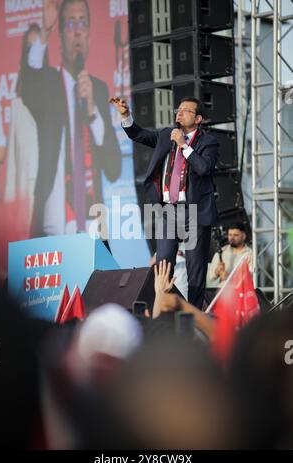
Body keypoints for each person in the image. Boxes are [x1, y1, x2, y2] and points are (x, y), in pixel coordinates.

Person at [23, 0, 121, 237]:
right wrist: (44, 30)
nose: (77, 30)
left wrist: (92, 112)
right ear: (59, 37)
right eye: (69, 23)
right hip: (53, 217)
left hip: (91, 219)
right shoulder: (47, 82)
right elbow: (29, 79)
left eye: (83, 23)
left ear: (89, 34)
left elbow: (114, 168)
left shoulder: (98, 89)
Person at [110, 96, 219, 308]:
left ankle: (194, 316)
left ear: (198, 119)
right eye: (178, 109)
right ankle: (162, 309)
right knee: (163, 264)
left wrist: (184, 146)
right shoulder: (165, 135)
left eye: (186, 110)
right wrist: (125, 115)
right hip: (169, 211)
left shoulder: (209, 142)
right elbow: (139, 134)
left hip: (194, 212)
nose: (179, 113)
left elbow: (204, 168)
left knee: (194, 268)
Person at [5, 24, 48, 238]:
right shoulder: (17, 107)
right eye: (30, 46)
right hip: (26, 206)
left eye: (38, 46)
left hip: (51, 202)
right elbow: (12, 167)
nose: (35, 52)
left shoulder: (55, 97)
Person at [208, 223, 252, 288]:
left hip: (241, 293)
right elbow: (211, 276)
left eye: (235, 235)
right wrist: (217, 271)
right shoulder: (221, 252)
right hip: (222, 293)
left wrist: (230, 278)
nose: (232, 238)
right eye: (230, 235)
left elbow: (251, 276)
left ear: (243, 236)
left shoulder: (249, 254)